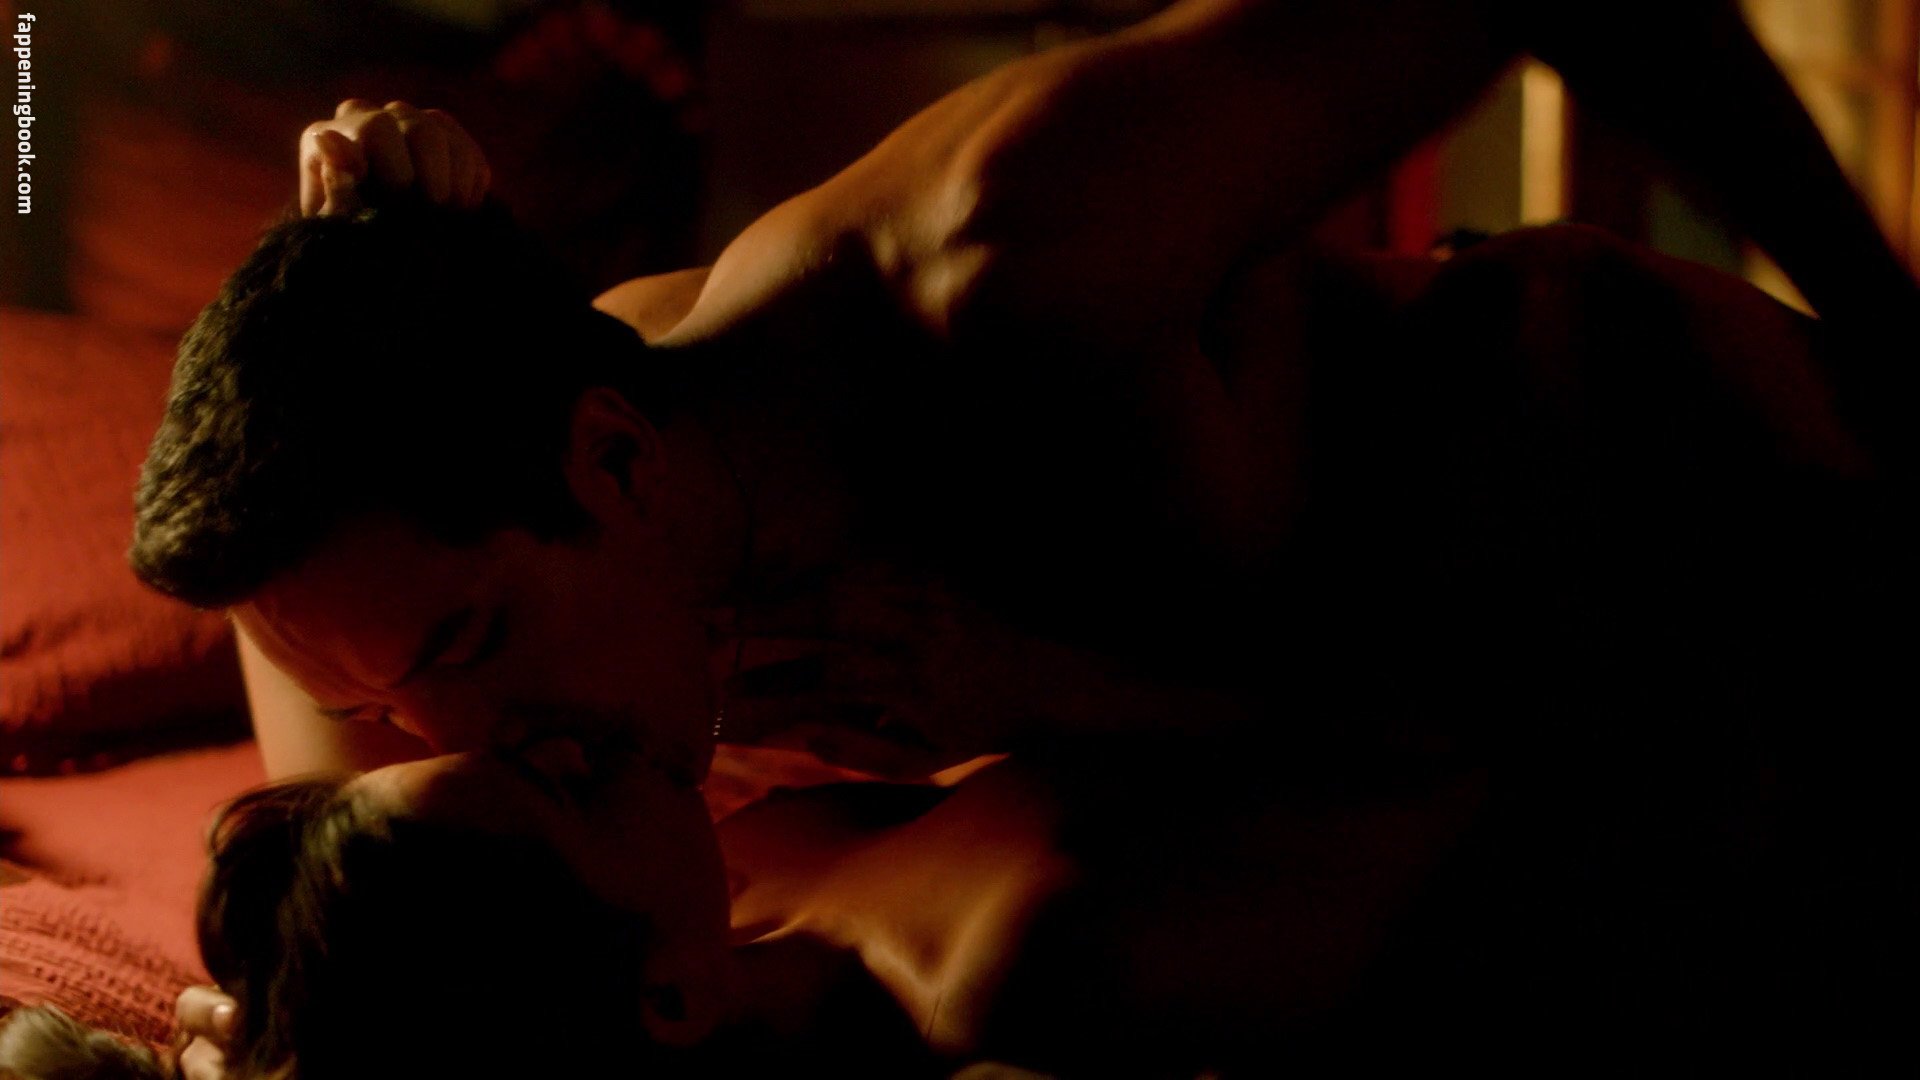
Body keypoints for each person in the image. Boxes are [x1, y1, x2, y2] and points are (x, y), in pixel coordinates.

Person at [132, 0, 1913, 1074]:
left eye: (461, 654)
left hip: (1737, 509)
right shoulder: (558, 635)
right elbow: (355, 825)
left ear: (613, 461)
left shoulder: (1004, 261)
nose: (455, 743)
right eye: (388, 702)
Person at [0, 736, 1491, 1079]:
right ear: (664, 1000)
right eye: (566, 779)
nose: (583, 728)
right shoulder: (1028, 949)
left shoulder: (718, 898)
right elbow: (1476, 816)